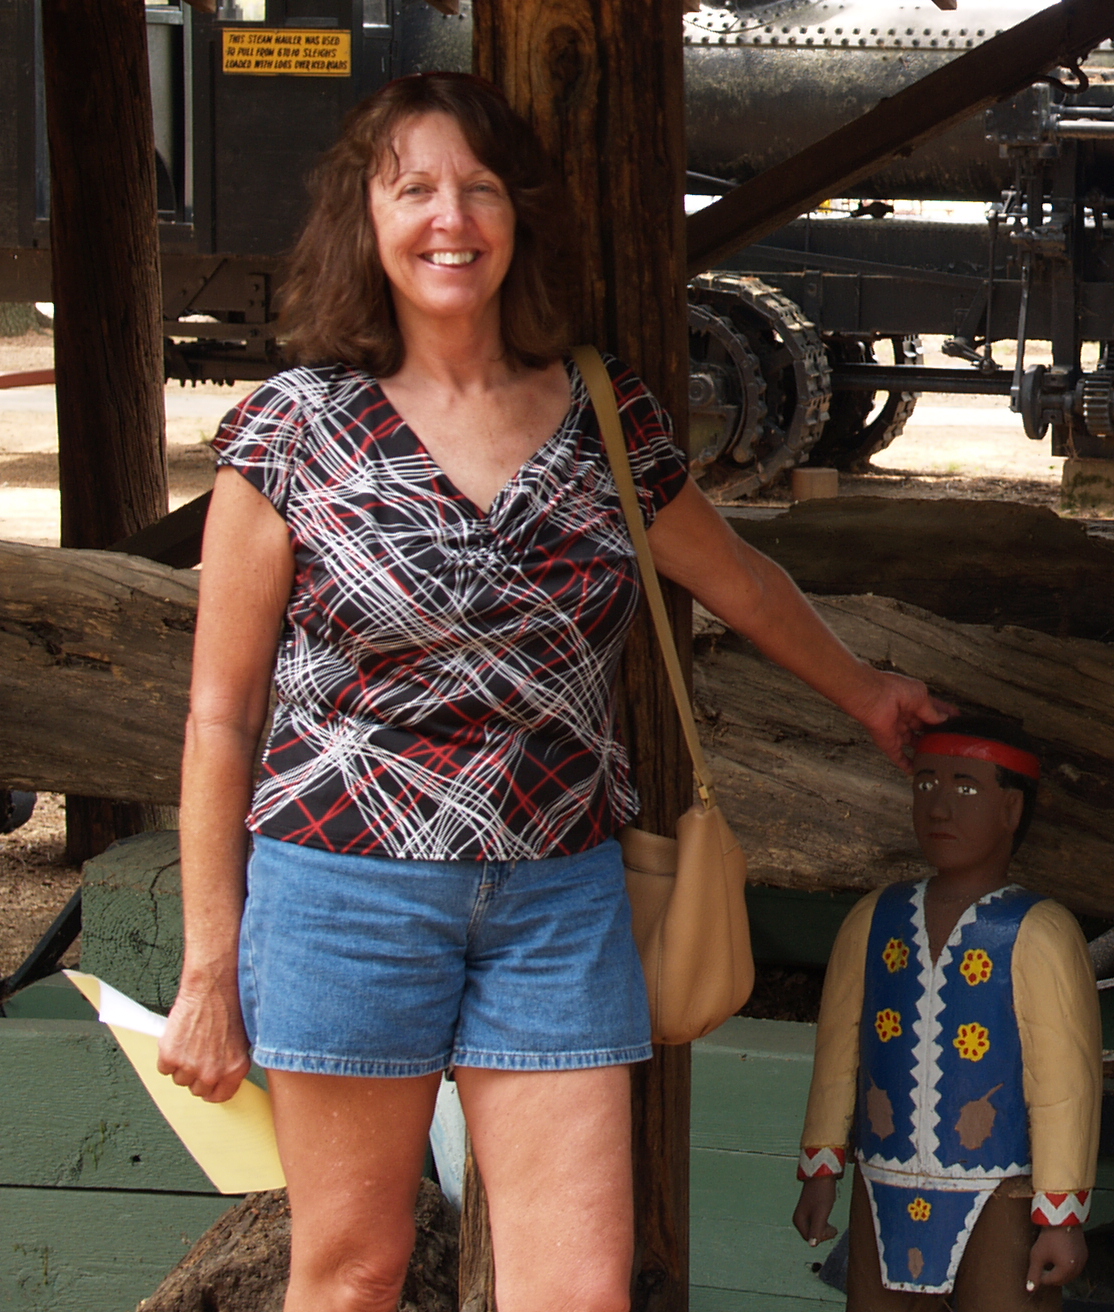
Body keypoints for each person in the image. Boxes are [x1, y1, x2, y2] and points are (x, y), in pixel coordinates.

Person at [155, 71, 949, 1312]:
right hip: (344, 893)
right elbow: (221, 718)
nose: (450, 219)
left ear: (518, 216)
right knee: (353, 1273)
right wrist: (208, 971)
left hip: (556, 897)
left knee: (576, 1290)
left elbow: (737, 579)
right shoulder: (293, 429)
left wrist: (868, 694)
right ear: (364, 217)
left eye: (478, 188)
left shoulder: (600, 410)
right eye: (414, 189)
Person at [792, 718, 1101, 1309]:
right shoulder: (872, 920)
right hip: (881, 1183)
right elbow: (837, 1055)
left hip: (1000, 1187)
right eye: (926, 784)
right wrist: (822, 1168)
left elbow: (1066, 1085)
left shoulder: (1039, 931)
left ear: (1011, 809)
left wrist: (1061, 1212)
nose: (939, 807)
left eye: (965, 787)